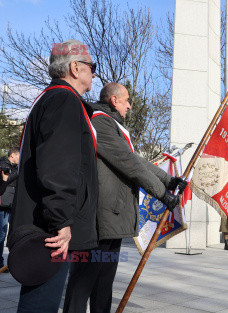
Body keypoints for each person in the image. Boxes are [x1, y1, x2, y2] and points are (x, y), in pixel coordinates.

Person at [63, 82, 187, 312]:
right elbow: (128, 162)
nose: (130, 106)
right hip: (99, 216)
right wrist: (161, 194)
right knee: (84, 280)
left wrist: (167, 181)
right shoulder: (99, 121)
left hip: (112, 214)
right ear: (114, 100)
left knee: (104, 281)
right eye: (127, 100)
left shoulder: (112, 125)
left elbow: (136, 159)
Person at [7, 39, 98, 312]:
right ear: (74, 67)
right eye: (91, 66)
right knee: (41, 304)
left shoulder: (52, 98)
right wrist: (61, 220)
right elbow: (57, 165)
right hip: (52, 231)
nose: (94, 73)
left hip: (48, 223)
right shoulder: (63, 100)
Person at [0, 147, 19, 273]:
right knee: (1, 234)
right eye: (18, 156)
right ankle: (0, 263)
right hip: (3, 205)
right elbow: (7, 181)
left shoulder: (16, 168)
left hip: (13, 204)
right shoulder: (3, 165)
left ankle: (14, 263)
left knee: (15, 232)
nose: (19, 158)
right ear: (12, 155)